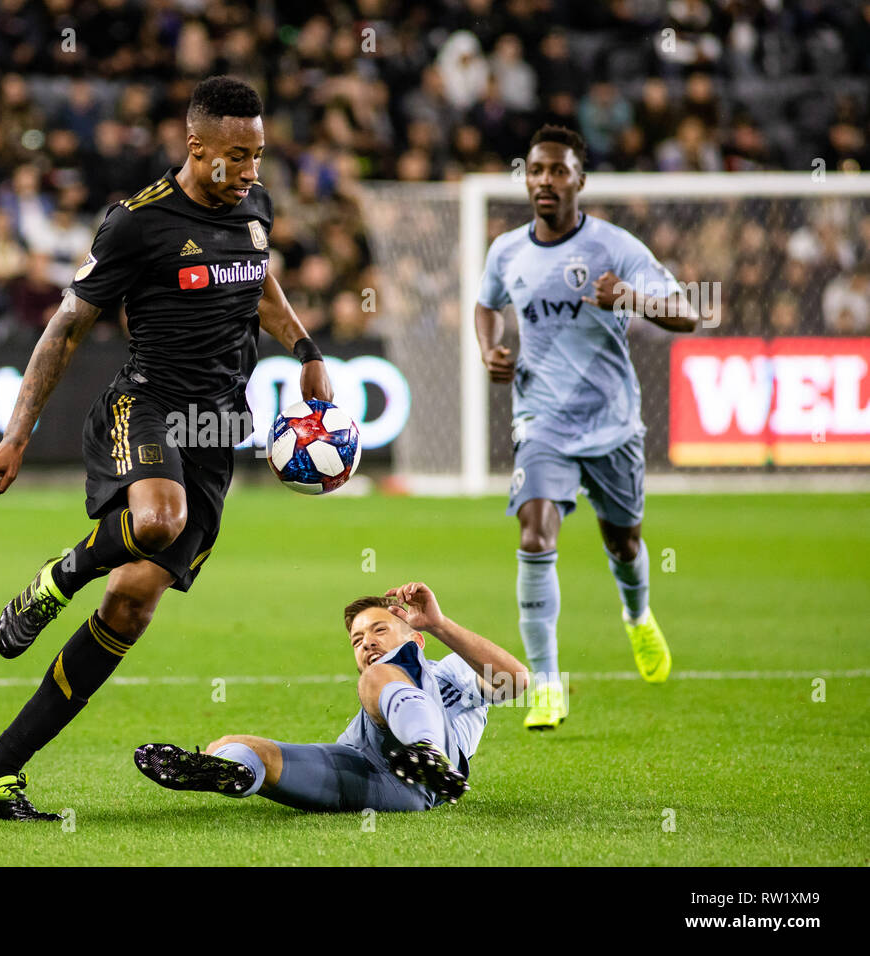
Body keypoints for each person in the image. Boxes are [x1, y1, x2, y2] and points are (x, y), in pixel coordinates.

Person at [0, 76, 333, 820]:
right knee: (156, 520)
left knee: (129, 606)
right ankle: (58, 578)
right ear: (196, 148)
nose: (253, 170)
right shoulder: (137, 223)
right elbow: (64, 330)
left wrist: (307, 347)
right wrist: (15, 437)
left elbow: (257, 282)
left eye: (259, 154)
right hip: (146, 405)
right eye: (237, 155)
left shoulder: (254, 207)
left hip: (218, 431)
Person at [474, 125, 699, 731]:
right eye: (536, 171)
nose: (545, 181)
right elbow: (487, 304)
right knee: (534, 534)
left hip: (613, 424)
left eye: (558, 171)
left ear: (579, 180)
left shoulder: (614, 247)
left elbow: (687, 313)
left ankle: (638, 614)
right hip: (540, 420)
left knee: (623, 541)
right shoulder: (506, 251)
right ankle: (547, 684)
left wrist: (629, 296)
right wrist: (491, 350)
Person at [135, 582, 529, 812]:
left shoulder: (445, 670)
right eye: (357, 639)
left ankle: (425, 751)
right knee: (234, 746)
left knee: (379, 677)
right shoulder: (370, 694)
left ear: (416, 638)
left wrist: (440, 624)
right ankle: (224, 772)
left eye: (379, 631)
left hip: (433, 781)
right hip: (371, 776)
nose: (367, 643)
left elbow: (517, 682)